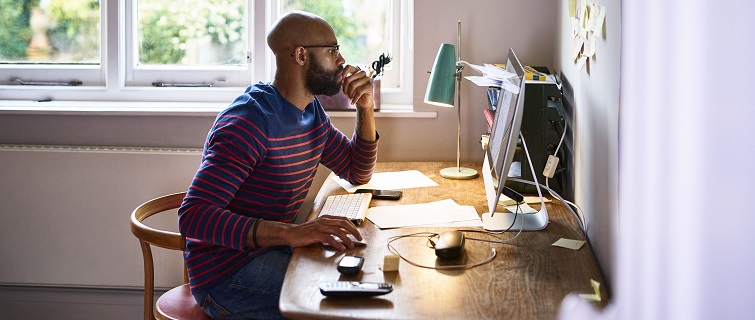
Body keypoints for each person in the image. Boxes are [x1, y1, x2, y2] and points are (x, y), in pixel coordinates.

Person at [177, 11, 379, 319]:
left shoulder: (311, 112)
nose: (342, 60)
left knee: (362, 282)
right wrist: (294, 233)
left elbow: (356, 171)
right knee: (345, 304)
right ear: (300, 55)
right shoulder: (249, 122)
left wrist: (366, 106)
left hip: (271, 253)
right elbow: (192, 217)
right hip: (227, 275)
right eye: (332, 50)